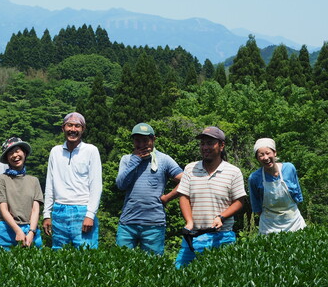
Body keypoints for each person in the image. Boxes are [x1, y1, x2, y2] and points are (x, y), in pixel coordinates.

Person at [175, 126, 246, 269]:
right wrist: (189, 222)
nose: (205, 147)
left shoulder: (233, 172)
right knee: (180, 275)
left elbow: (239, 201)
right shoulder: (190, 168)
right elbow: (184, 197)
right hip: (193, 235)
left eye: (210, 143)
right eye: (202, 144)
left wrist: (222, 217)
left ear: (221, 146)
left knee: (221, 280)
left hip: (222, 236)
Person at [115, 123, 184, 255]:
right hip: (128, 222)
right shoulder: (127, 159)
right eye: (137, 140)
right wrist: (135, 160)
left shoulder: (164, 160)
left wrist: (168, 197)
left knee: (153, 267)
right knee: (120, 263)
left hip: (154, 223)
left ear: (153, 139)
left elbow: (186, 180)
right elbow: (121, 185)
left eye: (145, 140)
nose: (142, 144)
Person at [43, 112, 102, 249]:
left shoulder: (91, 151)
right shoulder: (55, 152)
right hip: (59, 210)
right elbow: (49, 184)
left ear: (83, 129)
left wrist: (90, 215)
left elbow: (96, 186)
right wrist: (47, 214)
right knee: (58, 257)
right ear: (63, 128)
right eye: (69, 125)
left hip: (82, 209)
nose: (73, 129)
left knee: (86, 255)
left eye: (77, 126)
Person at [0, 137, 43, 249]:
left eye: (17, 151)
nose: (15, 155)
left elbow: (35, 210)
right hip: (6, 230)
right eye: (10, 153)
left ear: (24, 153)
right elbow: (3, 210)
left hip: (31, 229)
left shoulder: (34, 180)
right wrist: (18, 231)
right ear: (7, 158)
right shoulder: (1, 179)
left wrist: (31, 232)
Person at [248, 138, 306, 234]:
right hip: (269, 226)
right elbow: (256, 206)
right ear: (257, 159)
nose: (266, 158)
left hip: (294, 222)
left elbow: (298, 196)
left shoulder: (289, 168)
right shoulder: (254, 178)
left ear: (275, 153)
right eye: (261, 155)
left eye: (268, 153)